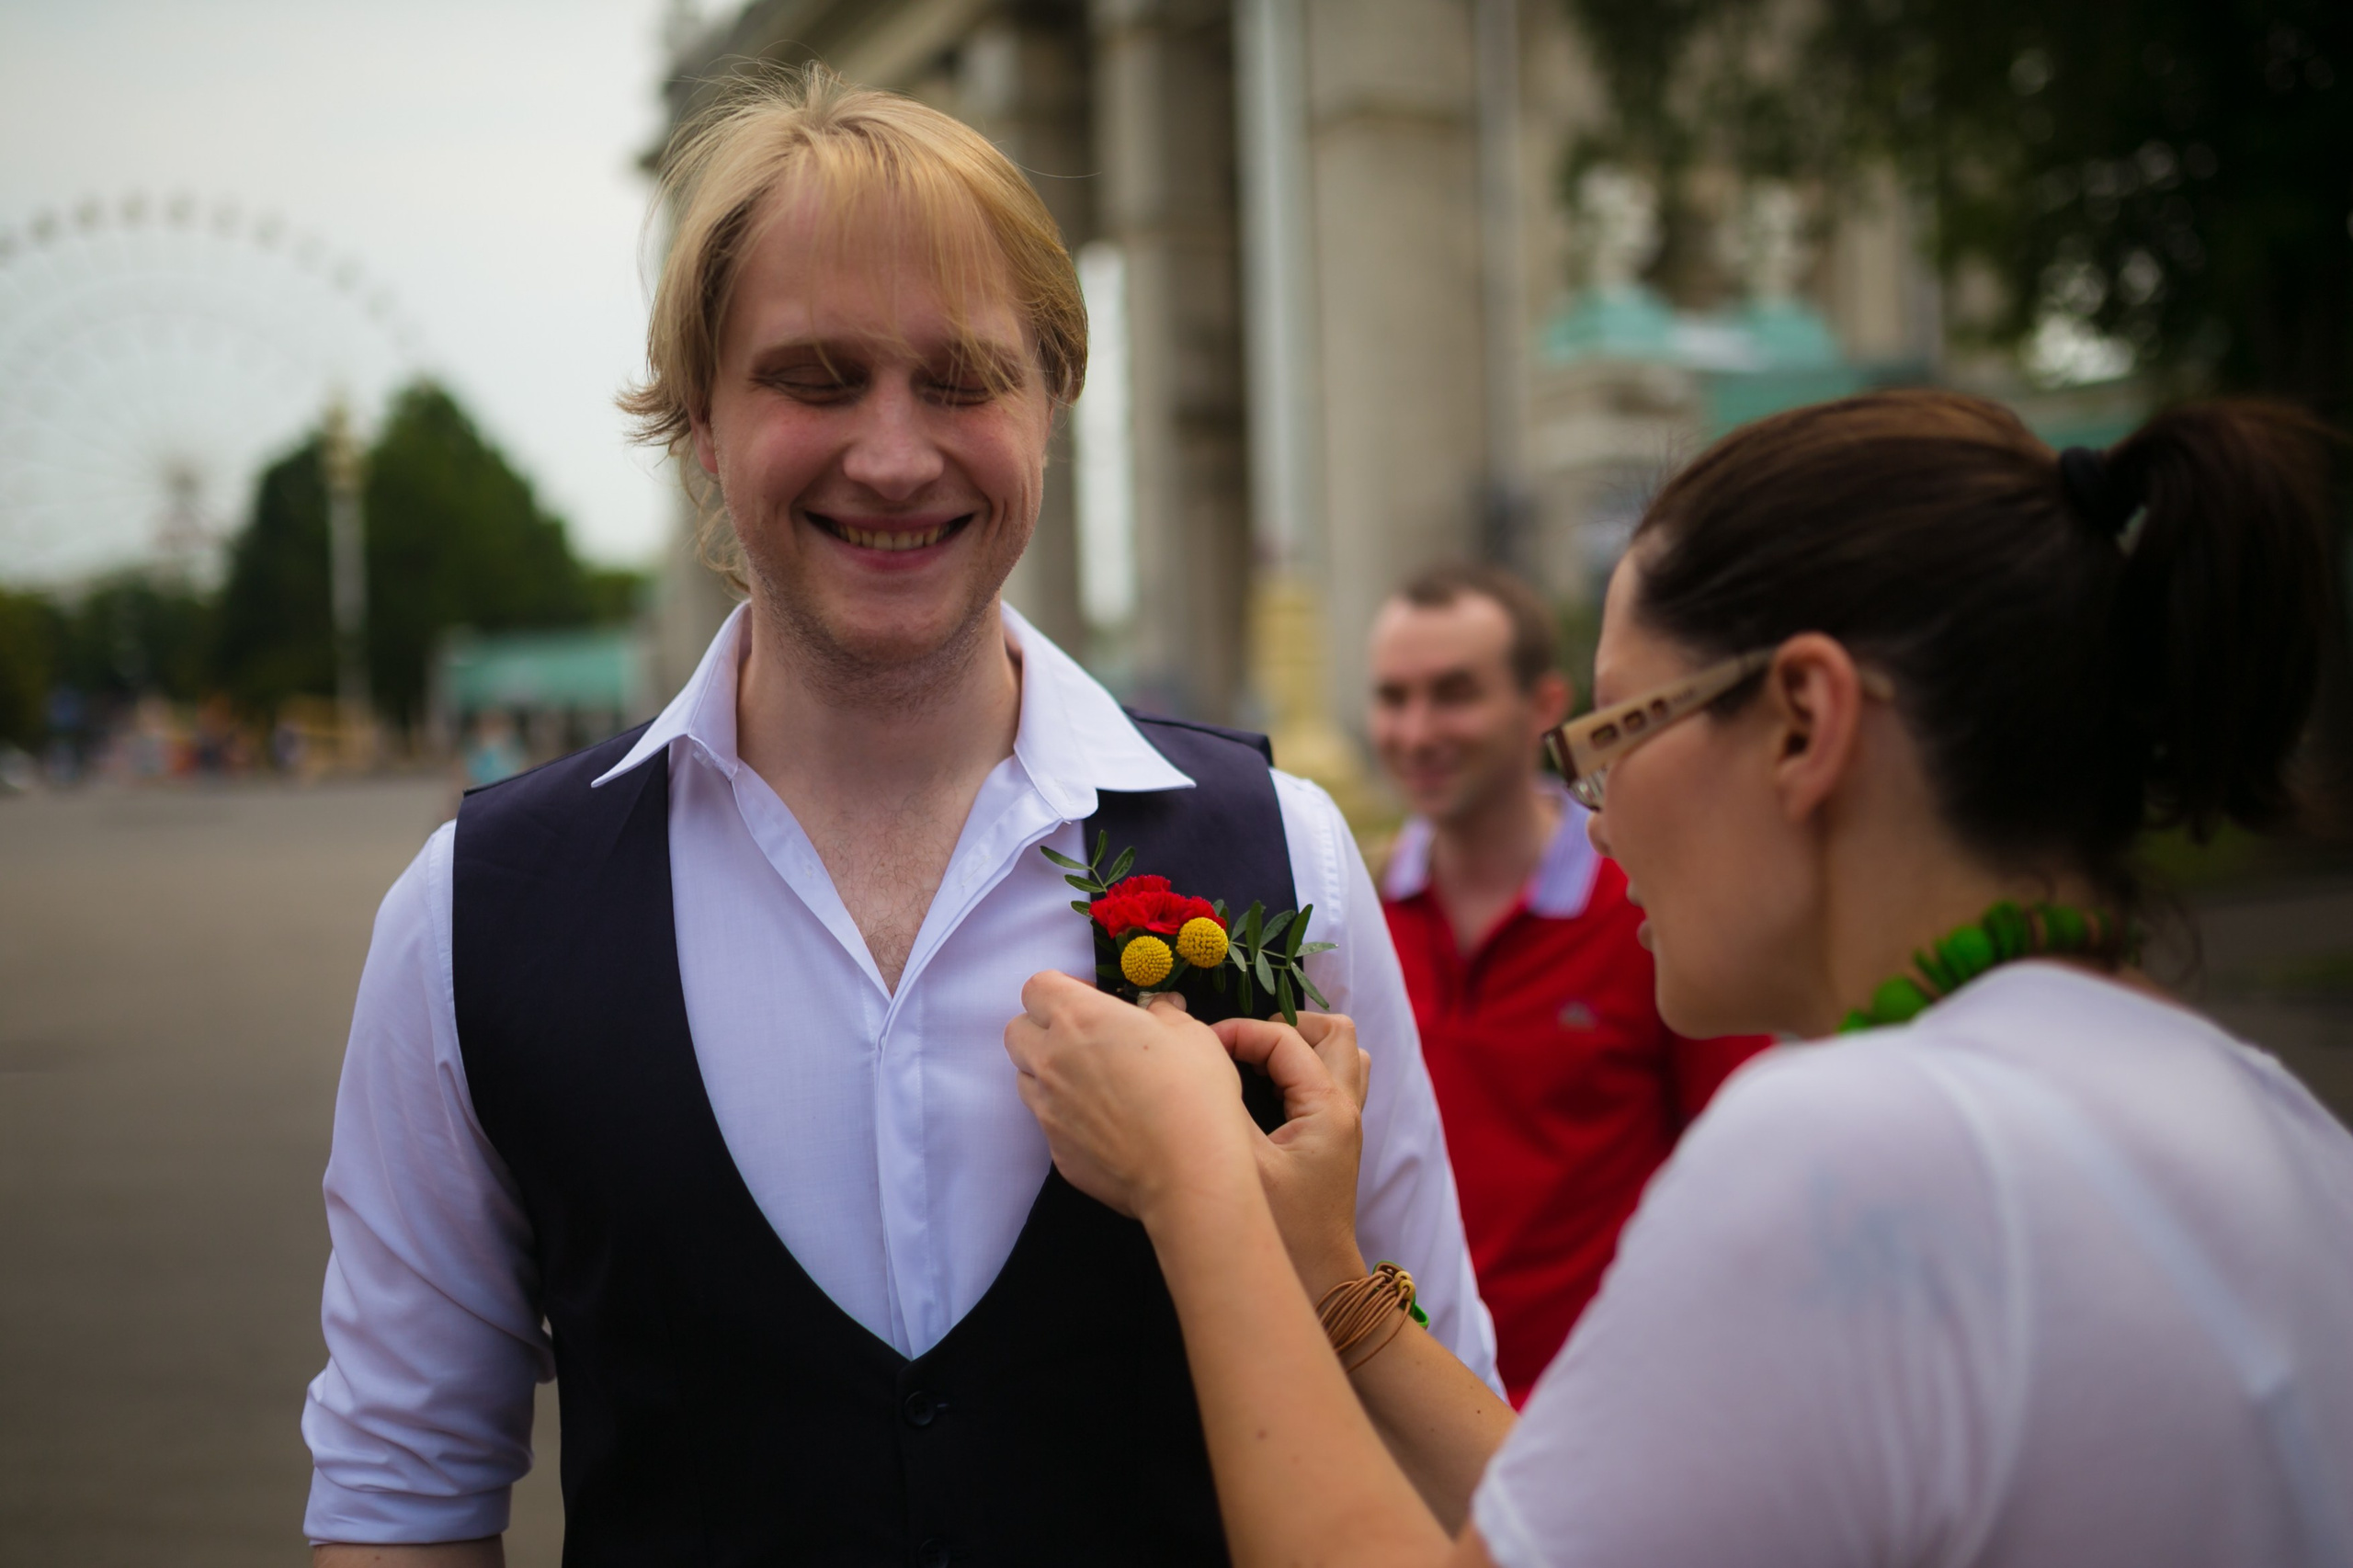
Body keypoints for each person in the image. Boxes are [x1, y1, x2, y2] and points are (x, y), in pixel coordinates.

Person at [302, 68, 1494, 1566]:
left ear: (1050, 404)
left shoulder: (1284, 853)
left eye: (960, 379)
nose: (890, 452)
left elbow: (1441, 1415)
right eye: (813, 377)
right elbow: (404, 1485)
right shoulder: (475, 914)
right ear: (698, 423)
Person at [1006, 390, 2353, 1566]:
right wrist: (1332, 1276)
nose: (1599, 817)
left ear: (1805, 723)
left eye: (1614, 734)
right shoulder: (2262, 1105)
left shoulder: (1855, 1143)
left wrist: (1194, 1178)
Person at [1370, 562, 1771, 1401]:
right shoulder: (1351, 913)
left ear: (1545, 707)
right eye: (1393, 697)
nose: (1416, 730)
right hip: (1411, 1417)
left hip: (1607, 1417)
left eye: (1453, 693)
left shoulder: (1647, 909)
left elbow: (1744, 1177)